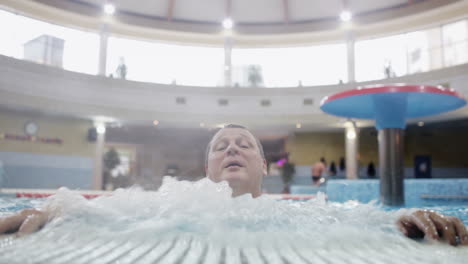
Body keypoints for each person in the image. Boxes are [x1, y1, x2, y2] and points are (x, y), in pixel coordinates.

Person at [0, 124, 467, 246]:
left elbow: (360, 221)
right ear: (207, 169)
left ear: (264, 167)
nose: (232, 150)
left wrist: (402, 220)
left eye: (244, 144)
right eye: (221, 146)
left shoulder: (299, 211)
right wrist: (56, 211)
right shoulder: (171, 204)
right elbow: (107, 210)